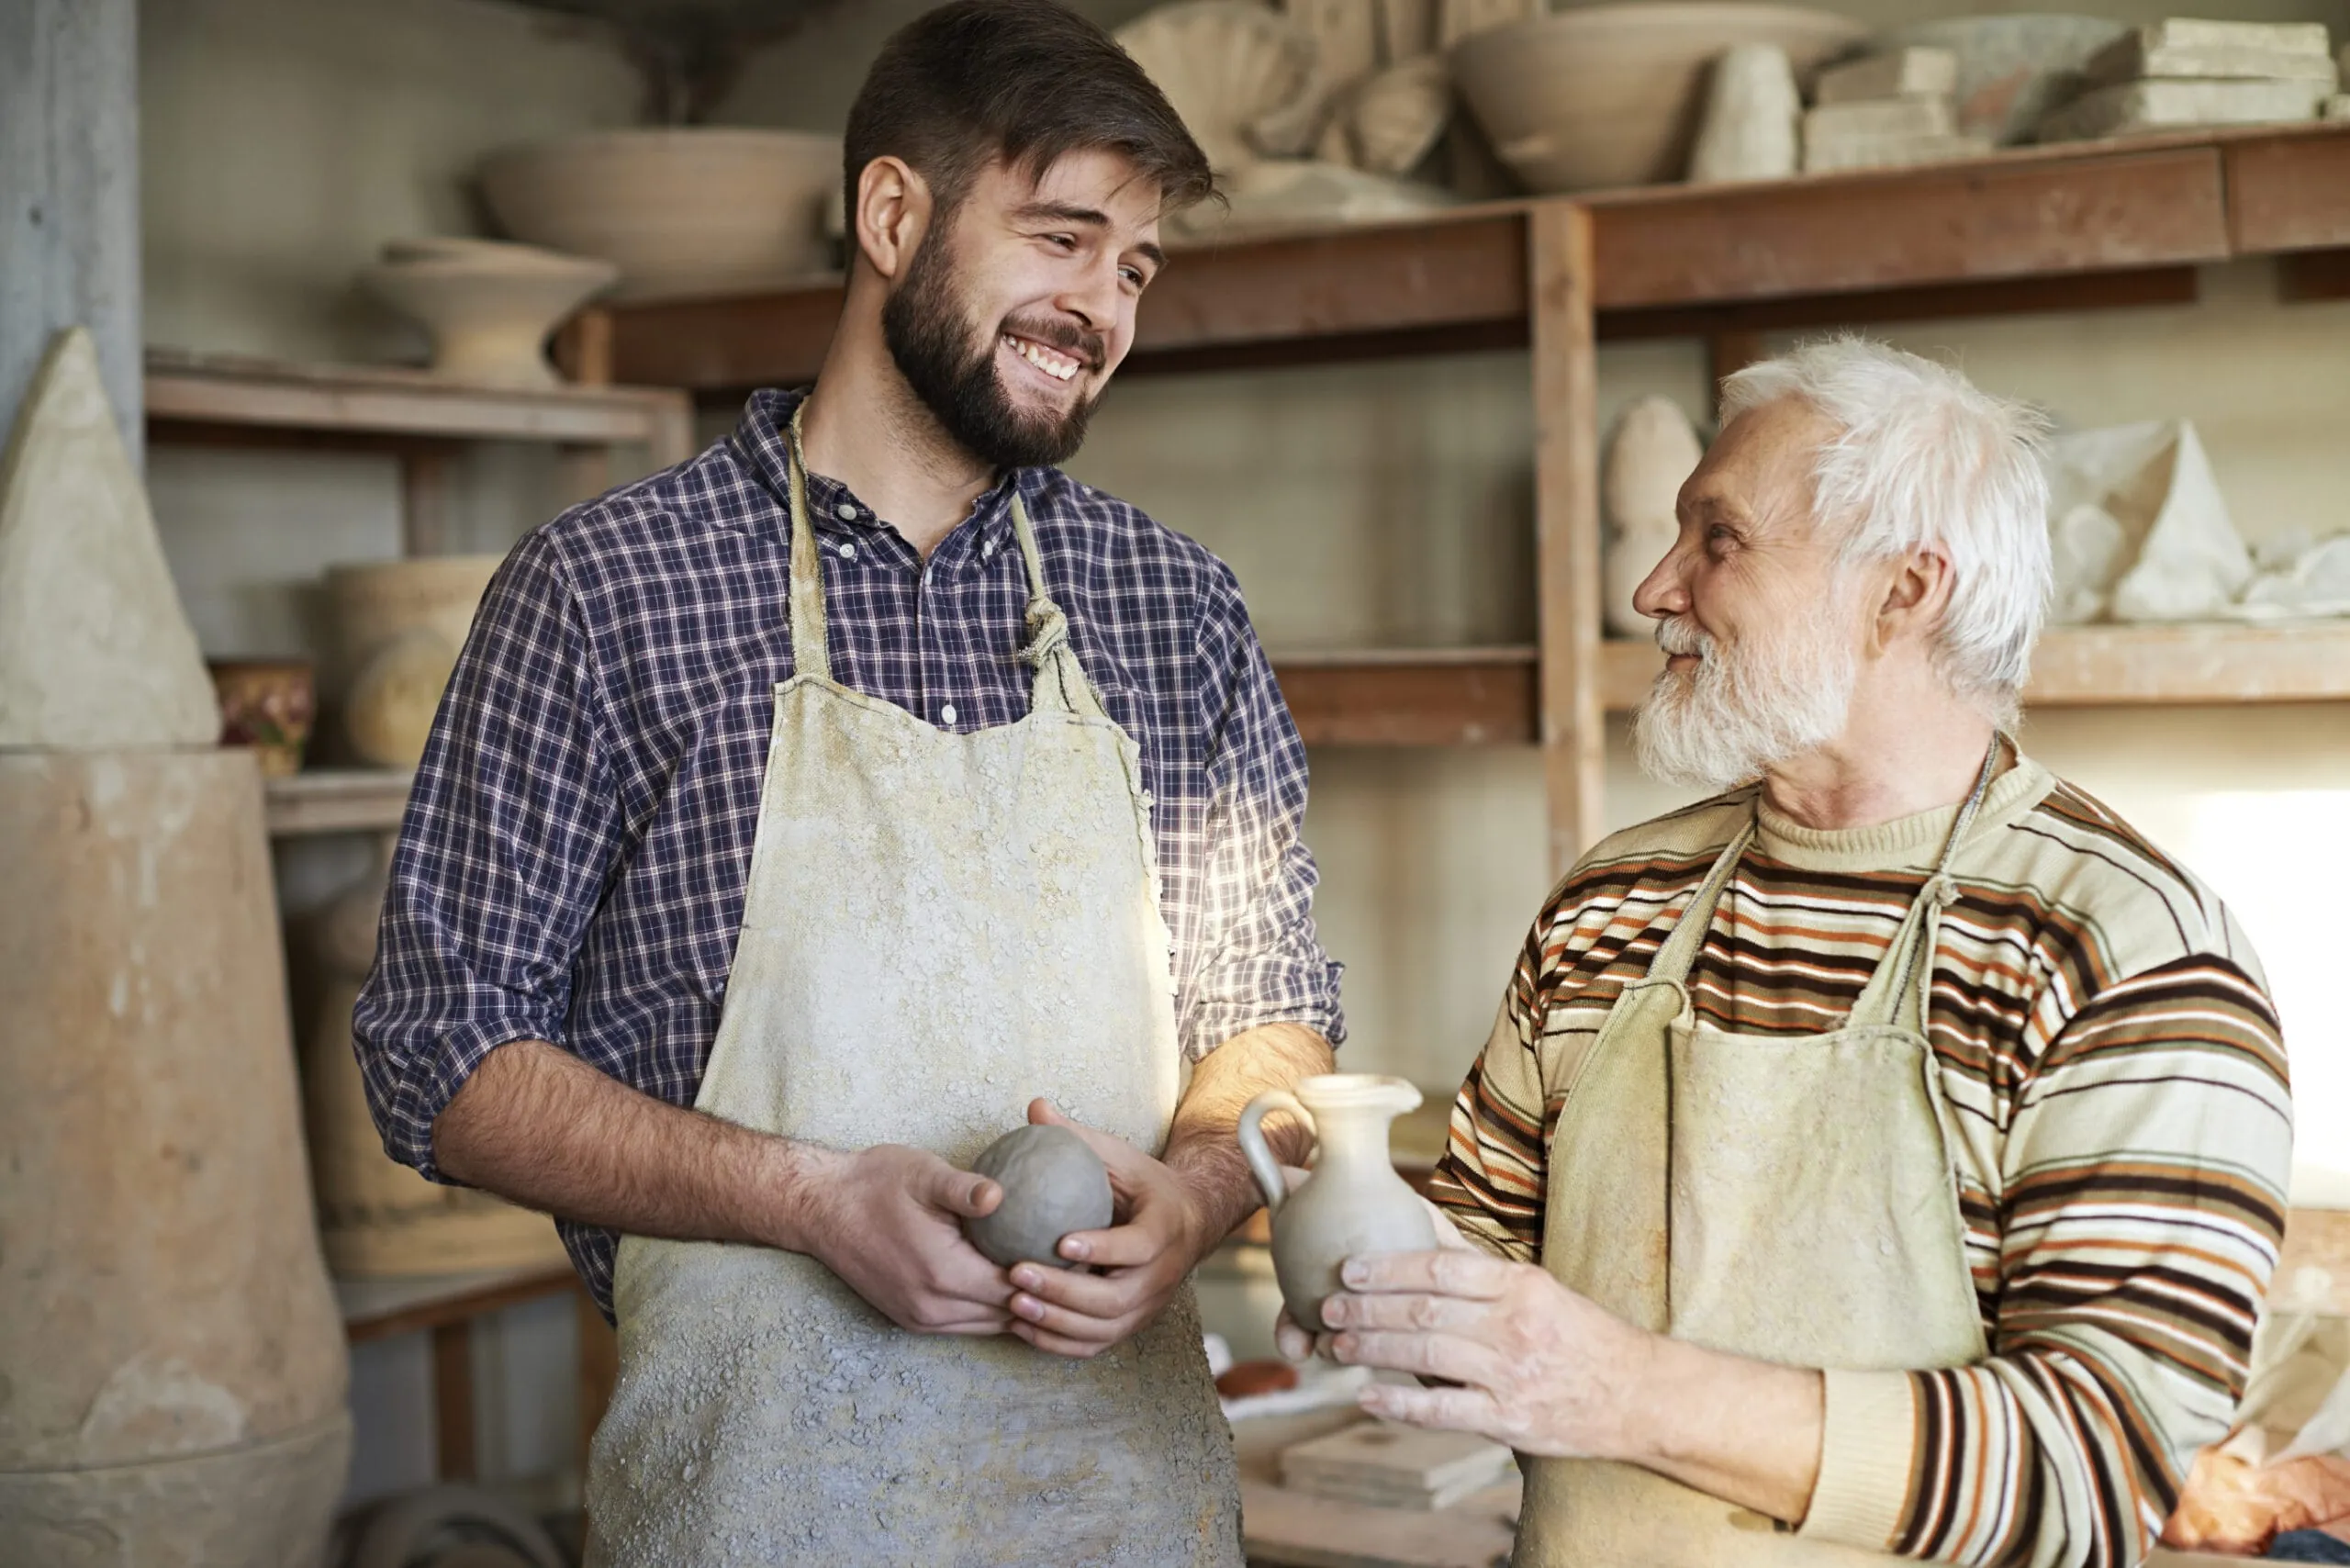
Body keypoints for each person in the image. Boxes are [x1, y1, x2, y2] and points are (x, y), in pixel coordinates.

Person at [352, 2, 1343, 1561]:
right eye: (1062, 239)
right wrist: (812, 1199)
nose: (1101, 307)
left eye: (1134, 266)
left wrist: (1208, 1191)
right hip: (761, 1514)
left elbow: (1274, 1010)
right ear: (893, 215)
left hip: (1119, 1509)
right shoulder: (611, 591)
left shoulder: (1176, 608)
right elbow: (440, 1056)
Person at [1286, 338, 2294, 1568]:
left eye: (1720, 538)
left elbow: (2104, 1472)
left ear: (1905, 592)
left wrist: (1625, 1394)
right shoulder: (1612, 905)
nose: (1655, 589)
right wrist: (1322, 1229)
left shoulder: (2120, 953)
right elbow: (1480, 1263)